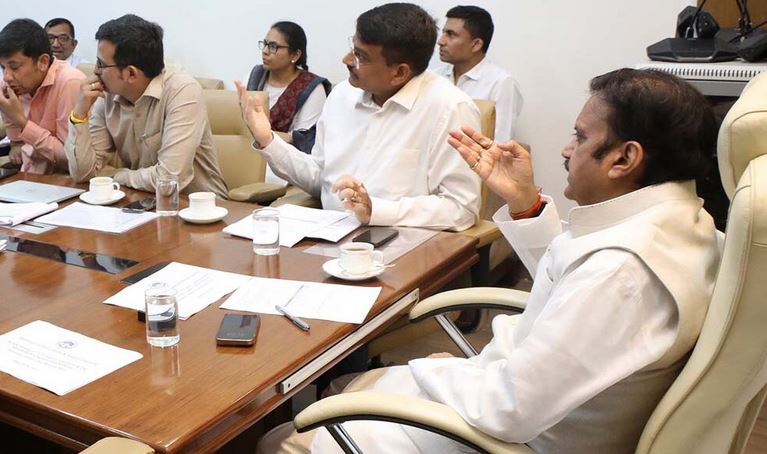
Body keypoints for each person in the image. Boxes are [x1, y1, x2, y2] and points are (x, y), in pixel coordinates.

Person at [257, 68, 722, 453]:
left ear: (624, 159)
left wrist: (443, 371)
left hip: (498, 436)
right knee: (343, 389)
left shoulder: (621, 272)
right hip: (513, 391)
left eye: (580, 137)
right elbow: (570, 283)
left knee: (282, 439)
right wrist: (525, 203)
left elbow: (508, 408)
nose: (566, 149)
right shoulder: (684, 224)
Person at [237, 3, 480, 231]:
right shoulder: (342, 95)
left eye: (360, 56)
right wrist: (268, 140)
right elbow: (320, 178)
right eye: (352, 48)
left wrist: (377, 210)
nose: (346, 60)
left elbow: (461, 209)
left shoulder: (450, 108)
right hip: (331, 235)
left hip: (402, 240)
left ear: (399, 72)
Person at [64, 14, 227, 198]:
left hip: (199, 206)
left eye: (101, 64)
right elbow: (83, 174)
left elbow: (169, 179)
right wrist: (80, 113)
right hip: (141, 202)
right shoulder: (107, 95)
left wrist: (119, 176)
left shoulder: (182, 91)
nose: (95, 71)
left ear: (131, 73)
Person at [0, 18, 84, 174]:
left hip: (65, 179)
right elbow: (9, 120)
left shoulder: (70, 82)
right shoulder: (10, 84)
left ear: (43, 62)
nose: (7, 77)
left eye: (14, 67)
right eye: (2, 67)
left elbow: (70, 158)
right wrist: (16, 142)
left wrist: (21, 121)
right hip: (29, 173)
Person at [437, 5, 523, 142]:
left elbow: (500, 142)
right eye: (443, 33)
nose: (440, 41)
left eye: (451, 34)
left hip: (474, 155)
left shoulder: (501, 83)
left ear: (476, 44)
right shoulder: (435, 78)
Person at [246, 21, 331, 157]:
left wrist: (261, 135)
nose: (265, 51)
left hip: (287, 159)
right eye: (265, 44)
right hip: (248, 153)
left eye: (273, 47)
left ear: (295, 55)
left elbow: (304, 140)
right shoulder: (256, 76)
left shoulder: (312, 88)